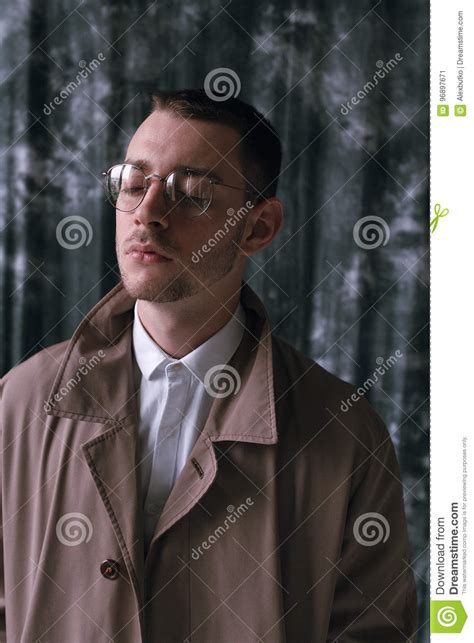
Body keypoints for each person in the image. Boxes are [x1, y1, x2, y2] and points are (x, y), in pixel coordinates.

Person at [0, 89, 418, 642]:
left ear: (257, 228)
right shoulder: (22, 402)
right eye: (133, 182)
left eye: (191, 192)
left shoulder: (343, 433)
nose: (147, 213)